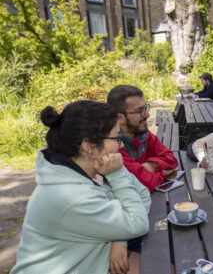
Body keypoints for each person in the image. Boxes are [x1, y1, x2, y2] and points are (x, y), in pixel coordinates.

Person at [11, 100, 151, 274]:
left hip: (94, 262)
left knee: (164, 263)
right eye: (116, 138)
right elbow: (138, 222)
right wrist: (125, 226)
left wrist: (120, 236)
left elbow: (143, 194)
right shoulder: (71, 197)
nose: (121, 145)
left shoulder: (98, 166)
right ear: (88, 145)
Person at [107, 85, 178, 192]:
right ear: (120, 117)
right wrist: (165, 172)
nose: (147, 114)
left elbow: (171, 159)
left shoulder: (144, 135)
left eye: (146, 108)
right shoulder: (112, 145)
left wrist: (152, 165)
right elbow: (145, 183)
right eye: (140, 111)